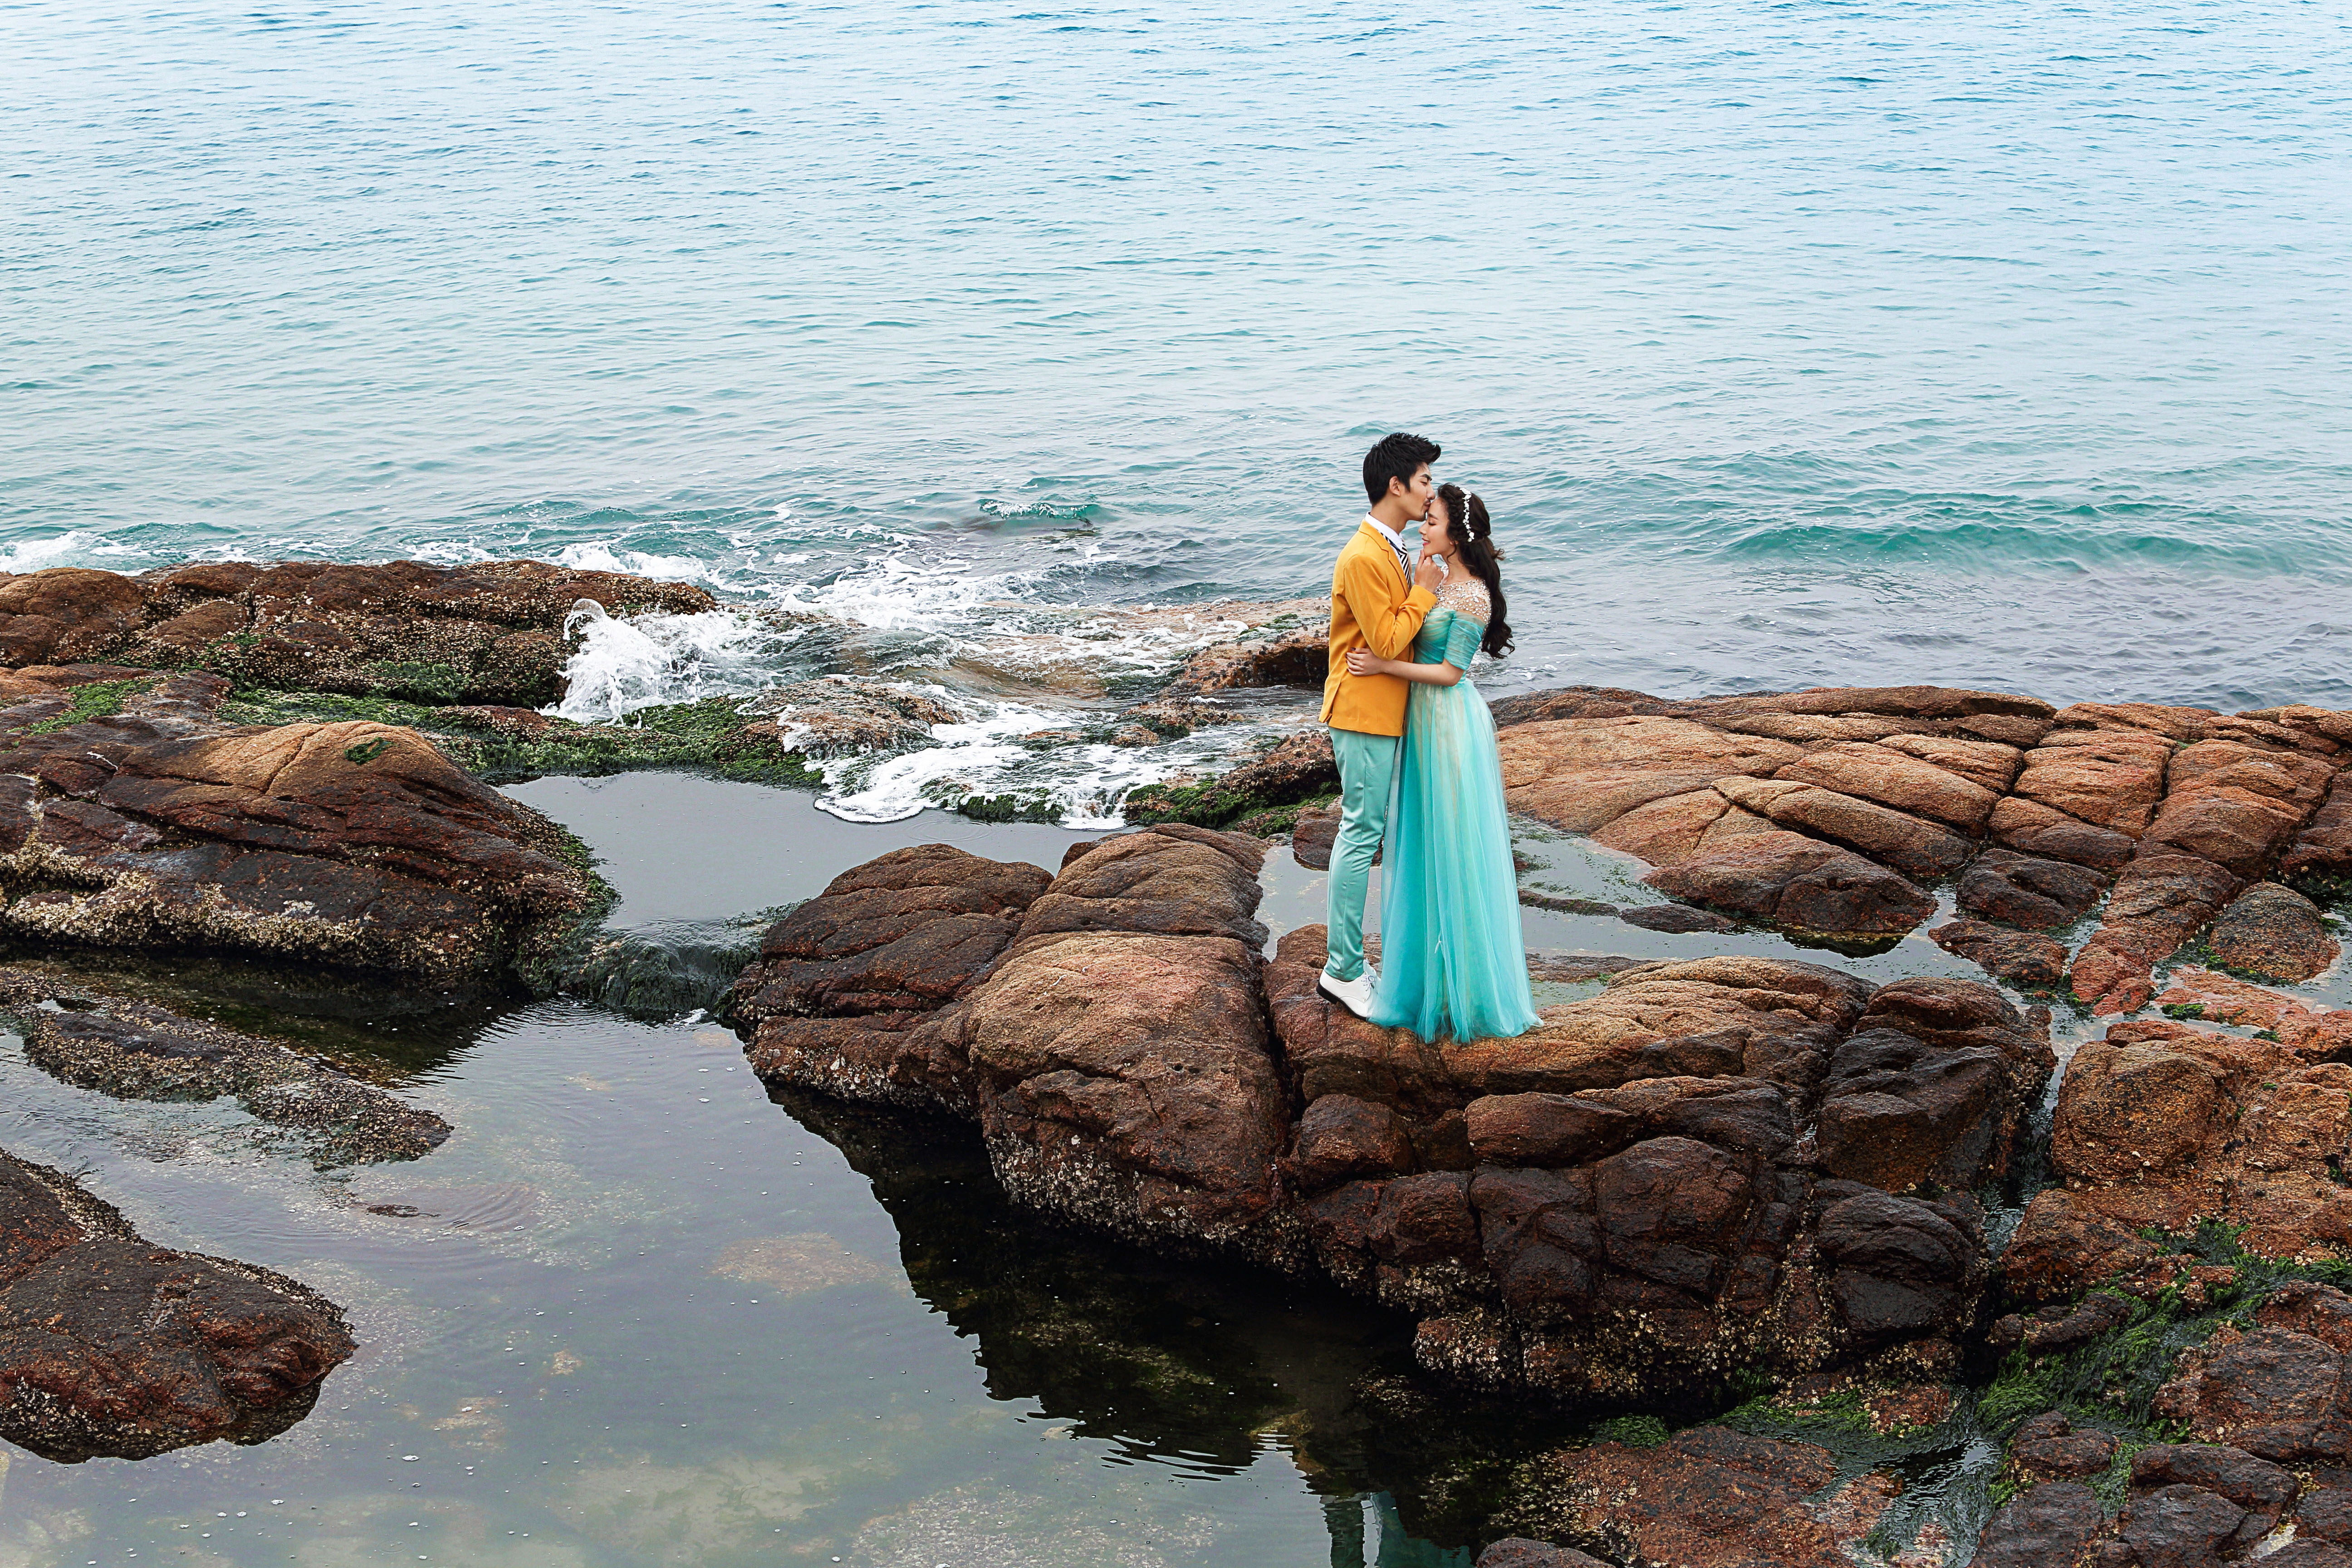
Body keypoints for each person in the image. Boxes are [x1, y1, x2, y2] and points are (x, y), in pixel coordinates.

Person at [1345, 483, 1540, 1042]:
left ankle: (1469, 992)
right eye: (1425, 518)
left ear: (1456, 534)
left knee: (1455, 852)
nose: (1422, 528)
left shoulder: (1472, 595)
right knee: (1425, 851)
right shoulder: (1431, 576)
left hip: (1450, 726)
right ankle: (1427, 982)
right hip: (1423, 725)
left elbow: (1452, 674)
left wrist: (1384, 667)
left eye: (1431, 521)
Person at [1317, 432, 1446, 1018]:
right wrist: (1423, 593)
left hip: (1381, 711)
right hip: (1363, 712)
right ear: (1396, 485)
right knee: (1361, 832)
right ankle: (1342, 969)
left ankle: (1349, 962)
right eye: (1424, 481)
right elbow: (1389, 640)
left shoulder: (1389, 547)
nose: (1430, 493)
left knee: (1366, 831)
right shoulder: (1365, 556)